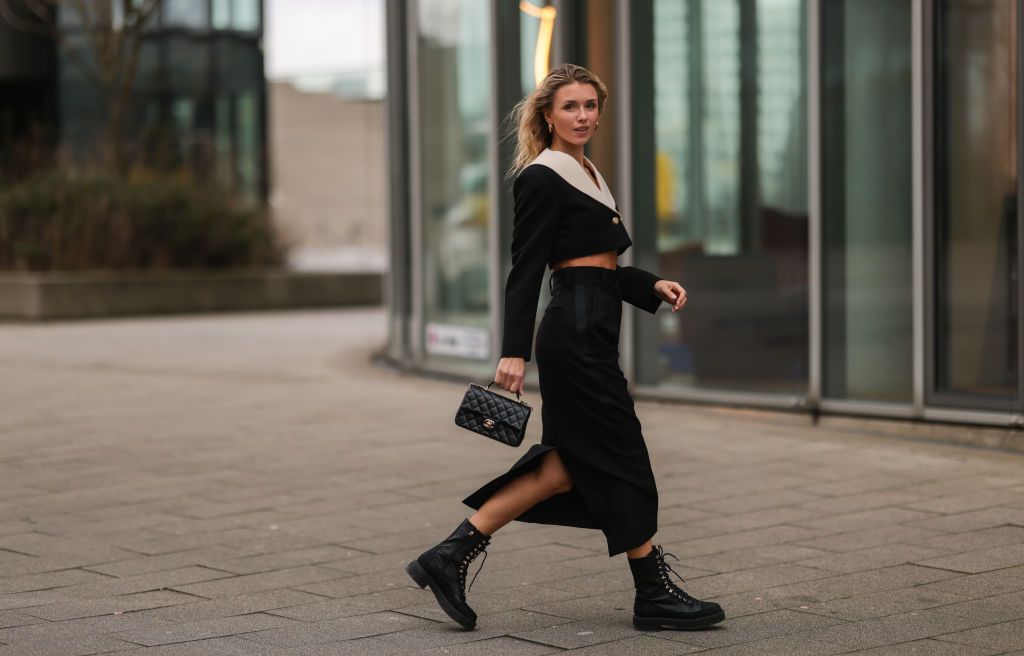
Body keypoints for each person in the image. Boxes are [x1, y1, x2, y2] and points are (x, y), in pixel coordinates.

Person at [406, 63, 725, 632]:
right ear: (548, 116)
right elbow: (527, 269)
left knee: (563, 469)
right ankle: (651, 592)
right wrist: (513, 351)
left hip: (595, 322)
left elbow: (599, 267)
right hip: (573, 334)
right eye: (570, 107)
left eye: (590, 106)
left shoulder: (587, 172)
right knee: (625, 456)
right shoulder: (542, 175)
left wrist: (647, 283)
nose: (582, 116)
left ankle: (449, 555)